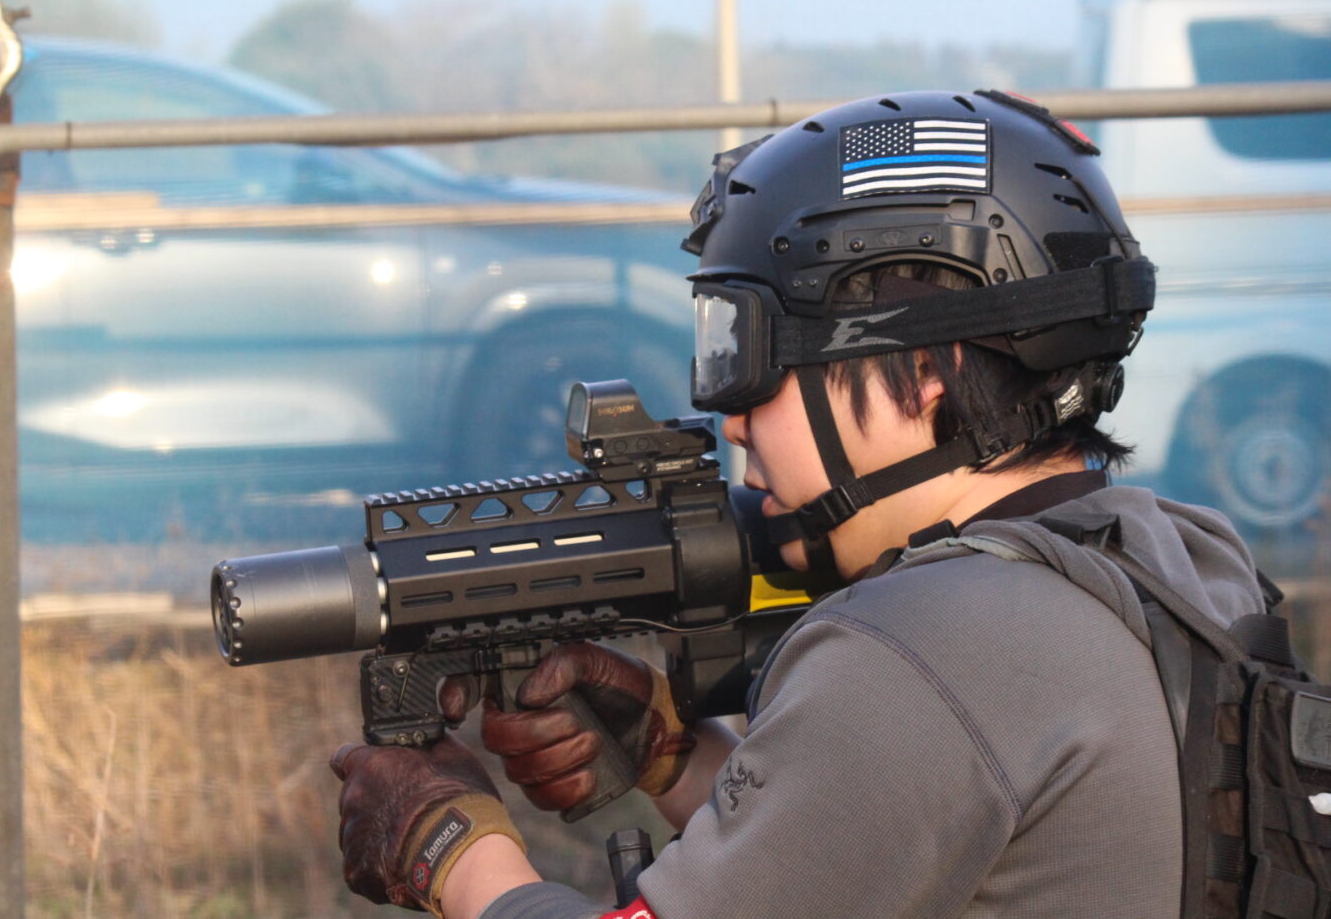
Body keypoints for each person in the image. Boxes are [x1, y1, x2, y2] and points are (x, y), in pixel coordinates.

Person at [328, 89, 1271, 918]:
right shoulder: (1173, 567)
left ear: (925, 372)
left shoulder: (922, 645)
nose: (733, 418)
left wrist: (448, 842)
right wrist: (673, 753)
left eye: (750, 355)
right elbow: (911, 849)